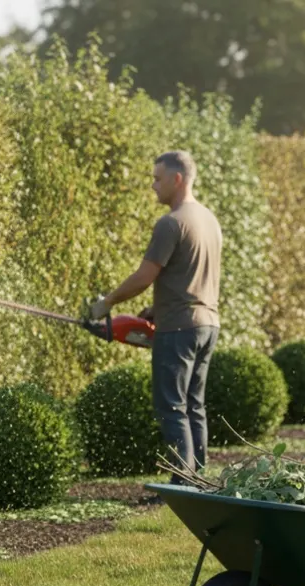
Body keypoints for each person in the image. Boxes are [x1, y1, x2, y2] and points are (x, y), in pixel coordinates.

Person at [86, 150, 222, 484]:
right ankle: (198, 479)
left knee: (172, 407)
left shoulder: (171, 223)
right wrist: (153, 310)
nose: (153, 185)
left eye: (157, 179)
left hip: (178, 328)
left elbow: (144, 277)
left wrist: (107, 303)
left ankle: (182, 483)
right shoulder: (208, 219)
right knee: (194, 406)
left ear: (177, 179)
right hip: (207, 324)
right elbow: (189, 275)